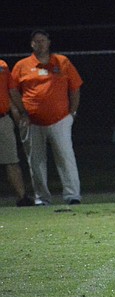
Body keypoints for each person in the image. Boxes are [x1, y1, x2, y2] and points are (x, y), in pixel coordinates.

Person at [8, 29, 83, 205]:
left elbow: (75, 88)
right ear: (31, 44)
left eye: (42, 40)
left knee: (65, 157)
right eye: (36, 41)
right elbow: (12, 92)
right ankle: (42, 198)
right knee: (36, 161)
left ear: (49, 42)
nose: (39, 44)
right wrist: (18, 114)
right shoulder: (22, 66)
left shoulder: (62, 62)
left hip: (60, 119)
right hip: (31, 121)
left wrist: (72, 112)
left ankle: (73, 195)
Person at [1, 58, 34, 206]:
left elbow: (12, 90)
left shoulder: (2, 66)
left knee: (12, 160)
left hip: (2, 119)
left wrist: (22, 112)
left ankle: (22, 198)